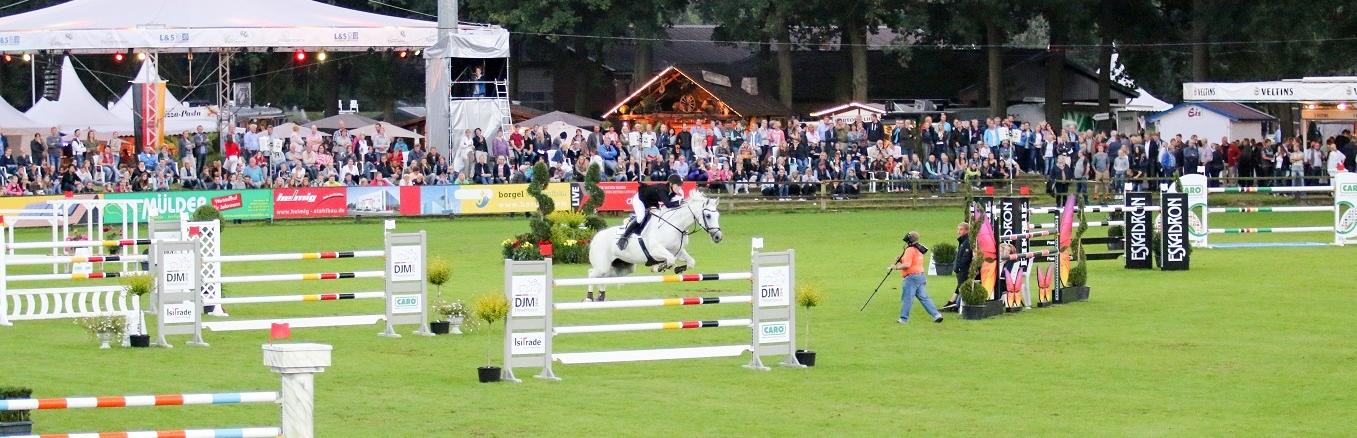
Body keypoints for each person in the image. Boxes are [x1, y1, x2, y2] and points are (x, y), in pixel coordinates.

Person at [617, 174, 684, 250]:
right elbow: (668, 205)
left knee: (659, 217)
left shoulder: (672, 192)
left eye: (680, 186)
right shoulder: (662, 189)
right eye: (678, 185)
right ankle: (623, 237)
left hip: (652, 201)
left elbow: (674, 203)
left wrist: (683, 202)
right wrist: (680, 202)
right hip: (640, 199)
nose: (679, 188)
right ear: (671, 184)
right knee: (640, 218)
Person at [890, 231, 943, 324]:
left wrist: (896, 267)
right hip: (920, 276)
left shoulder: (909, 250)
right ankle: (936, 315)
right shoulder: (919, 249)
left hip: (911, 278)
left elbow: (907, 264)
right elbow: (912, 262)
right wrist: (901, 260)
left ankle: (903, 319)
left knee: (907, 298)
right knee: (924, 297)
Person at [941, 222, 972, 311]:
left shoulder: (967, 242)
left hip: (963, 269)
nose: (959, 231)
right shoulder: (962, 241)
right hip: (960, 269)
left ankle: (960, 305)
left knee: (962, 286)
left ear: (967, 230)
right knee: (960, 285)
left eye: (961, 229)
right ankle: (954, 302)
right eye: (958, 229)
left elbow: (966, 256)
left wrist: (959, 267)